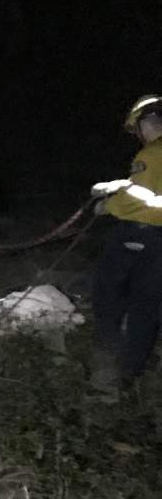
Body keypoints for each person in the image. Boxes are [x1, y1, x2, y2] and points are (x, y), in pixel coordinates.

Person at [89, 95, 162, 390]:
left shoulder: (153, 154)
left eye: (137, 130)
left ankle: (108, 360)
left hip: (141, 233)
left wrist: (107, 207)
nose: (138, 136)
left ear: (146, 123)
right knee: (148, 304)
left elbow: (138, 198)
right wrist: (115, 188)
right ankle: (131, 372)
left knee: (107, 293)